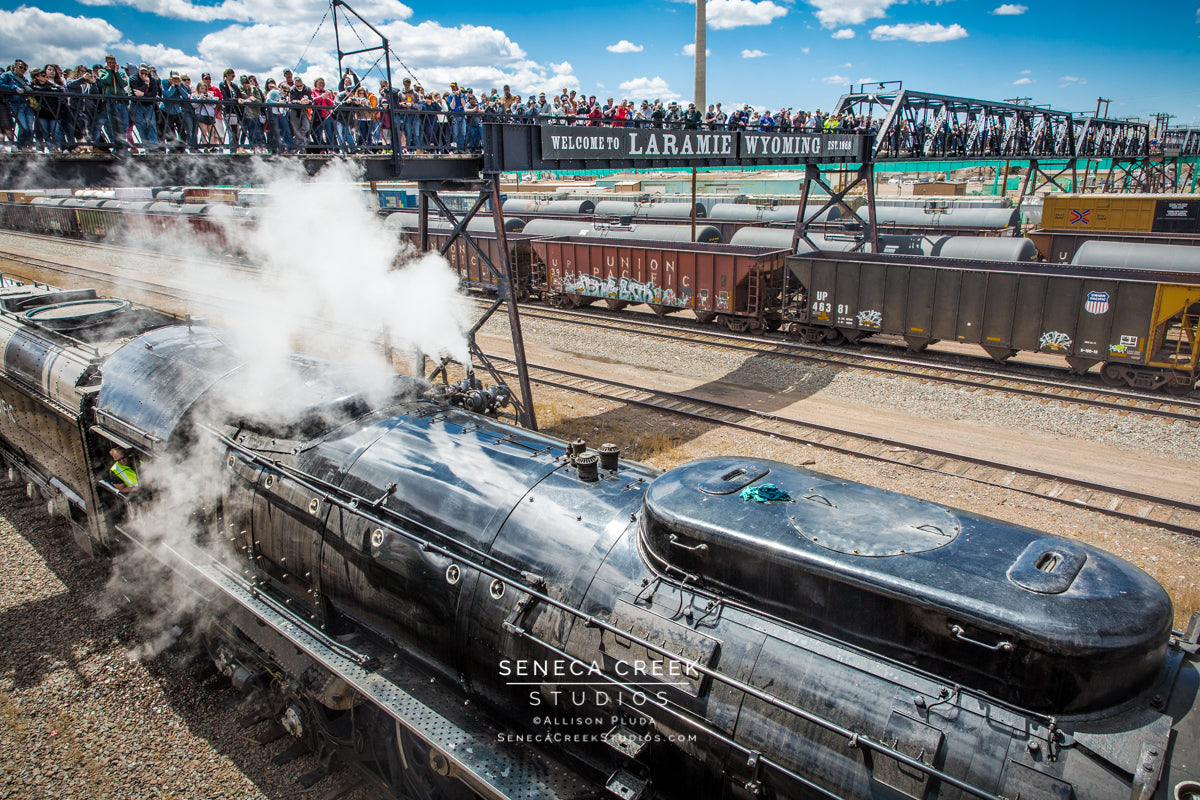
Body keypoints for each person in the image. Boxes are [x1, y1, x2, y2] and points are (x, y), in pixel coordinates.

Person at [95, 54, 130, 149]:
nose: (111, 64)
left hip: (121, 102)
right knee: (113, 124)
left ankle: (122, 144)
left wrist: (116, 72)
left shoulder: (121, 74)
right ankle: (116, 145)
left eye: (113, 63)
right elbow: (106, 81)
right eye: (109, 63)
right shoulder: (102, 72)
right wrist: (110, 72)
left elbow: (123, 84)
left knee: (124, 123)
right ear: (106, 63)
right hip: (110, 102)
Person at [0, 60, 34, 150]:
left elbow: (29, 85)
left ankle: (25, 145)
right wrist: (13, 88)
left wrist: (28, 87)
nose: (23, 70)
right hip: (15, 104)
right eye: (21, 67)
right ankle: (19, 145)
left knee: (30, 128)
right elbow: (0, 85)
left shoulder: (24, 79)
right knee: (23, 127)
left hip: (26, 103)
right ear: (14, 67)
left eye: (25, 68)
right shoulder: (6, 75)